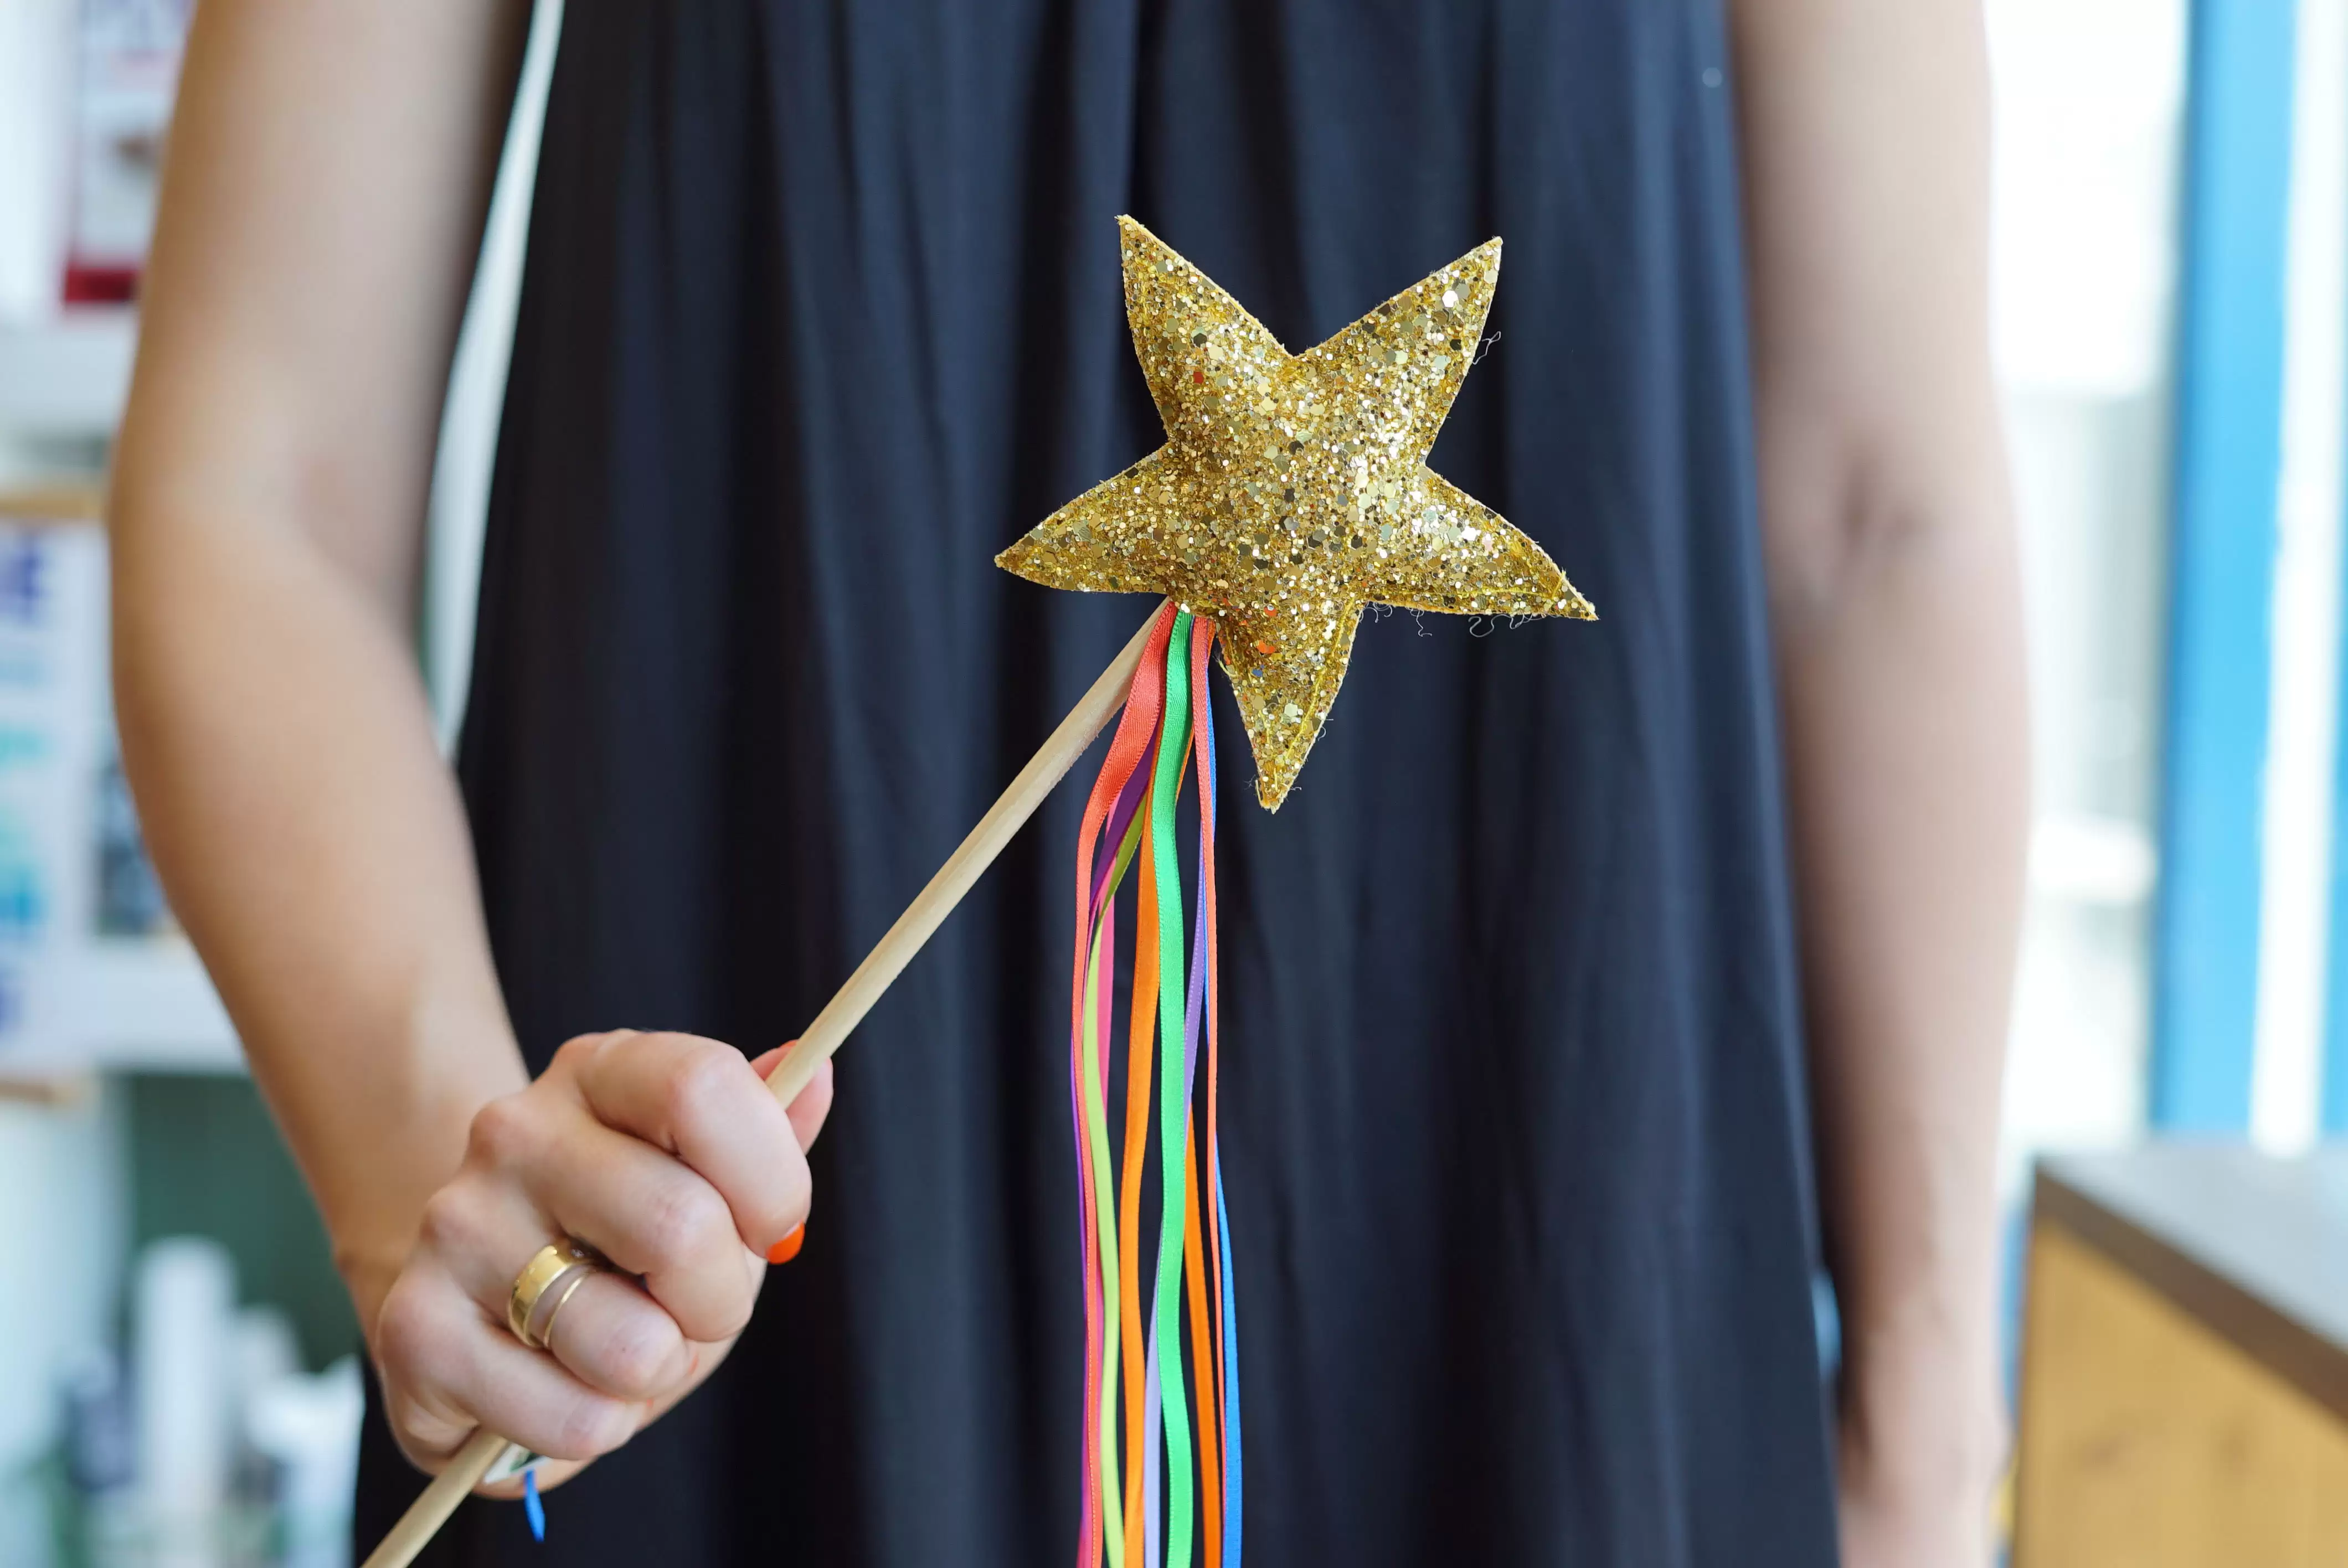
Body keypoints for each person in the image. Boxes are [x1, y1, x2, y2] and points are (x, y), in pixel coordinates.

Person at [109, 0, 2026, 1563]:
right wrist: (446, 1198)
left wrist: (1924, 1438)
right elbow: (262, 484)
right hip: (709, 1275)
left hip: (1563, 1255)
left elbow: (1878, 518)